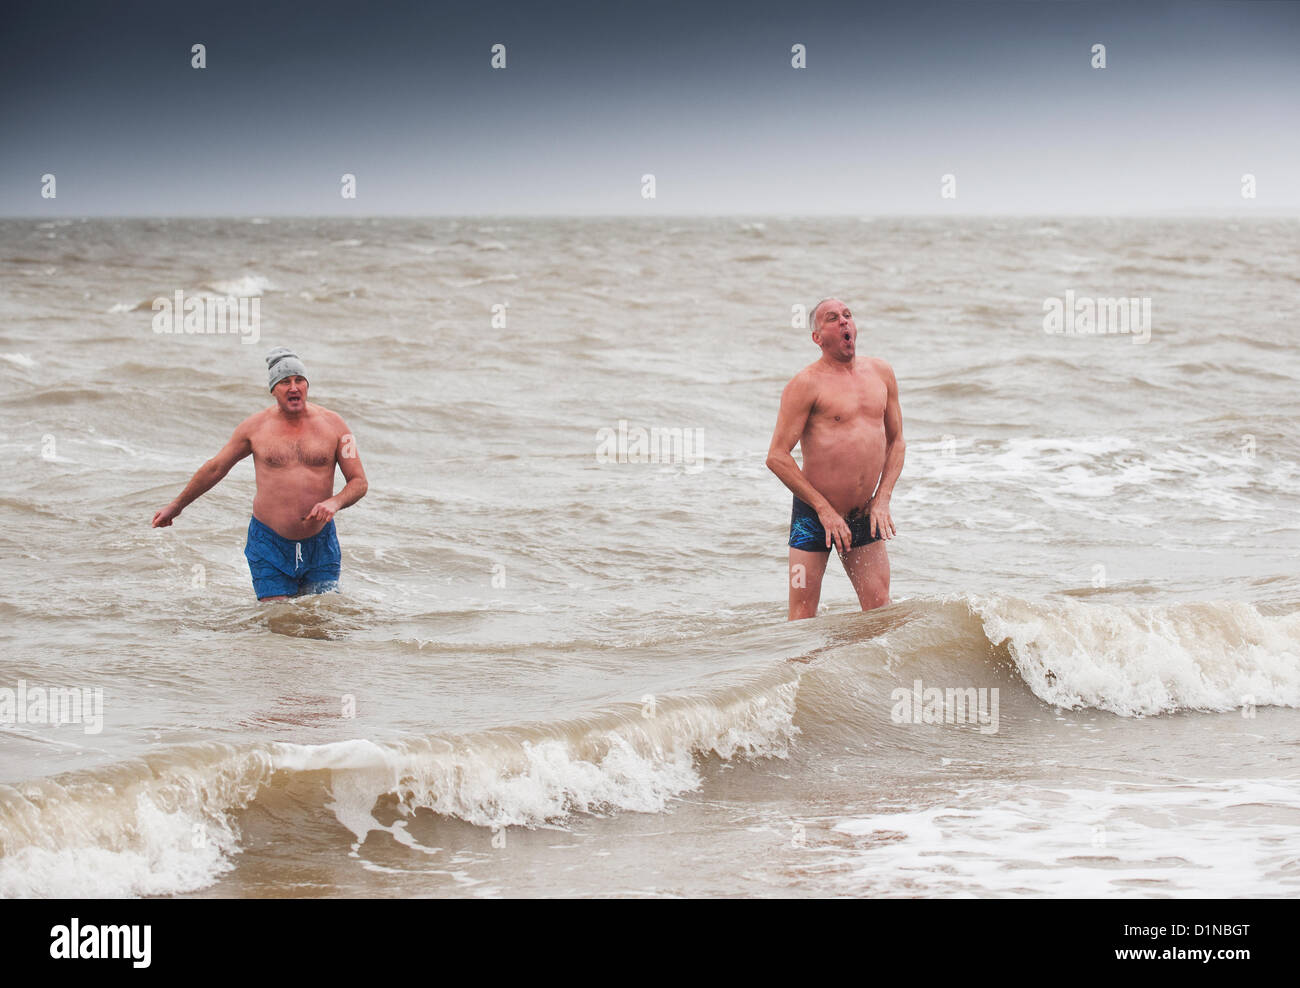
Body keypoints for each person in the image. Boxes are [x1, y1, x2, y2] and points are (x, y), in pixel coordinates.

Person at [151, 347, 368, 601]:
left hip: (321, 544)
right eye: (285, 382)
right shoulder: (254, 429)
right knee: (279, 622)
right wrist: (177, 505)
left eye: (299, 380)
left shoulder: (337, 426)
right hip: (268, 544)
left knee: (321, 620)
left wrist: (335, 502)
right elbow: (216, 468)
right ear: (273, 389)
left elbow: (359, 481)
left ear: (307, 385)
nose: (294, 387)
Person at [766, 298, 905, 620]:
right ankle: (799, 672)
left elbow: (897, 441)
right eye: (832, 318)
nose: (844, 322)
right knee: (801, 616)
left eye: (847, 315)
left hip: (863, 512)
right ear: (817, 337)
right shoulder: (805, 384)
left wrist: (882, 499)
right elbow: (777, 456)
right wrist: (824, 511)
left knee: (879, 611)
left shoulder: (881, 373)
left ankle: (869, 672)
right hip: (814, 516)